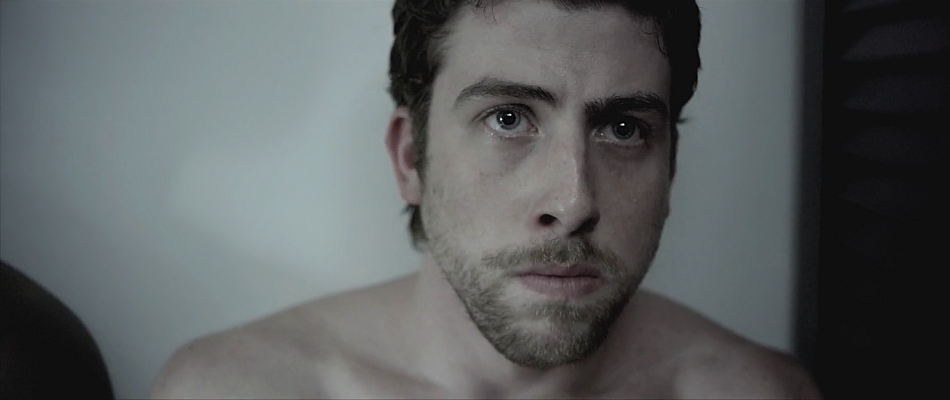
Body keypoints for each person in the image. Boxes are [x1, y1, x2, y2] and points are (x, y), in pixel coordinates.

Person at [150, 0, 822, 398]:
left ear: (670, 168)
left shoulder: (753, 393)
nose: (573, 202)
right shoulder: (237, 391)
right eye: (508, 118)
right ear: (410, 158)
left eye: (623, 129)